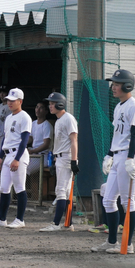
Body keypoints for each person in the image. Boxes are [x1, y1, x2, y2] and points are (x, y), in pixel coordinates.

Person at [91, 69, 135, 254]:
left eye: (117, 83)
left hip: (129, 158)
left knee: (128, 202)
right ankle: (112, 242)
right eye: (113, 83)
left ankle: (127, 245)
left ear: (127, 86)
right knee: (108, 200)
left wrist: (129, 158)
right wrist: (109, 154)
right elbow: (117, 134)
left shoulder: (133, 106)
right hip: (118, 156)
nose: (113, 87)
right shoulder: (119, 106)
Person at [0, 88, 32, 228]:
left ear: (20, 101)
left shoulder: (24, 117)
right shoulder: (9, 117)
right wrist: (0, 156)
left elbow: (24, 140)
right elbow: (6, 138)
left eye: (12, 101)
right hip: (8, 153)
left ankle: (20, 220)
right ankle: (2, 219)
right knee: (4, 188)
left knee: (19, 187)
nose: (9, 103)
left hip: (19, 154)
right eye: (8, 101)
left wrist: (17, 159)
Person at [90, 137, 135, 234]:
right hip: (129, 174)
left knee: (123, 190)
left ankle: (121, 223)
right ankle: (107, 223)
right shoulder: (121, 142)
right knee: (105, 187)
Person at [39, 92, 79, 232]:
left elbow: (74, 140)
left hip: (67, 157)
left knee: (61, 191)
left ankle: (56, 224)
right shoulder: (58, 120)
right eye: (49, 103)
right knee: (65, 192)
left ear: (60, 104)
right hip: (61, 157)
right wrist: (55, 161)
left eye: (52, 103)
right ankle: (68, 224)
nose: (50, 106)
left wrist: (74, 161)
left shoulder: (68, 119)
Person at [26, 99, 54, 176]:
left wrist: (33, 151)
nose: (38, 110)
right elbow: (31, 138)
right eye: (37, 107)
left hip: (43, 157)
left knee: (25, 168)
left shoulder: (47, 125)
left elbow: (46, 145)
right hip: (33, 154)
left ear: (46, 111)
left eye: (41, 108)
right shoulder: (33, 123)